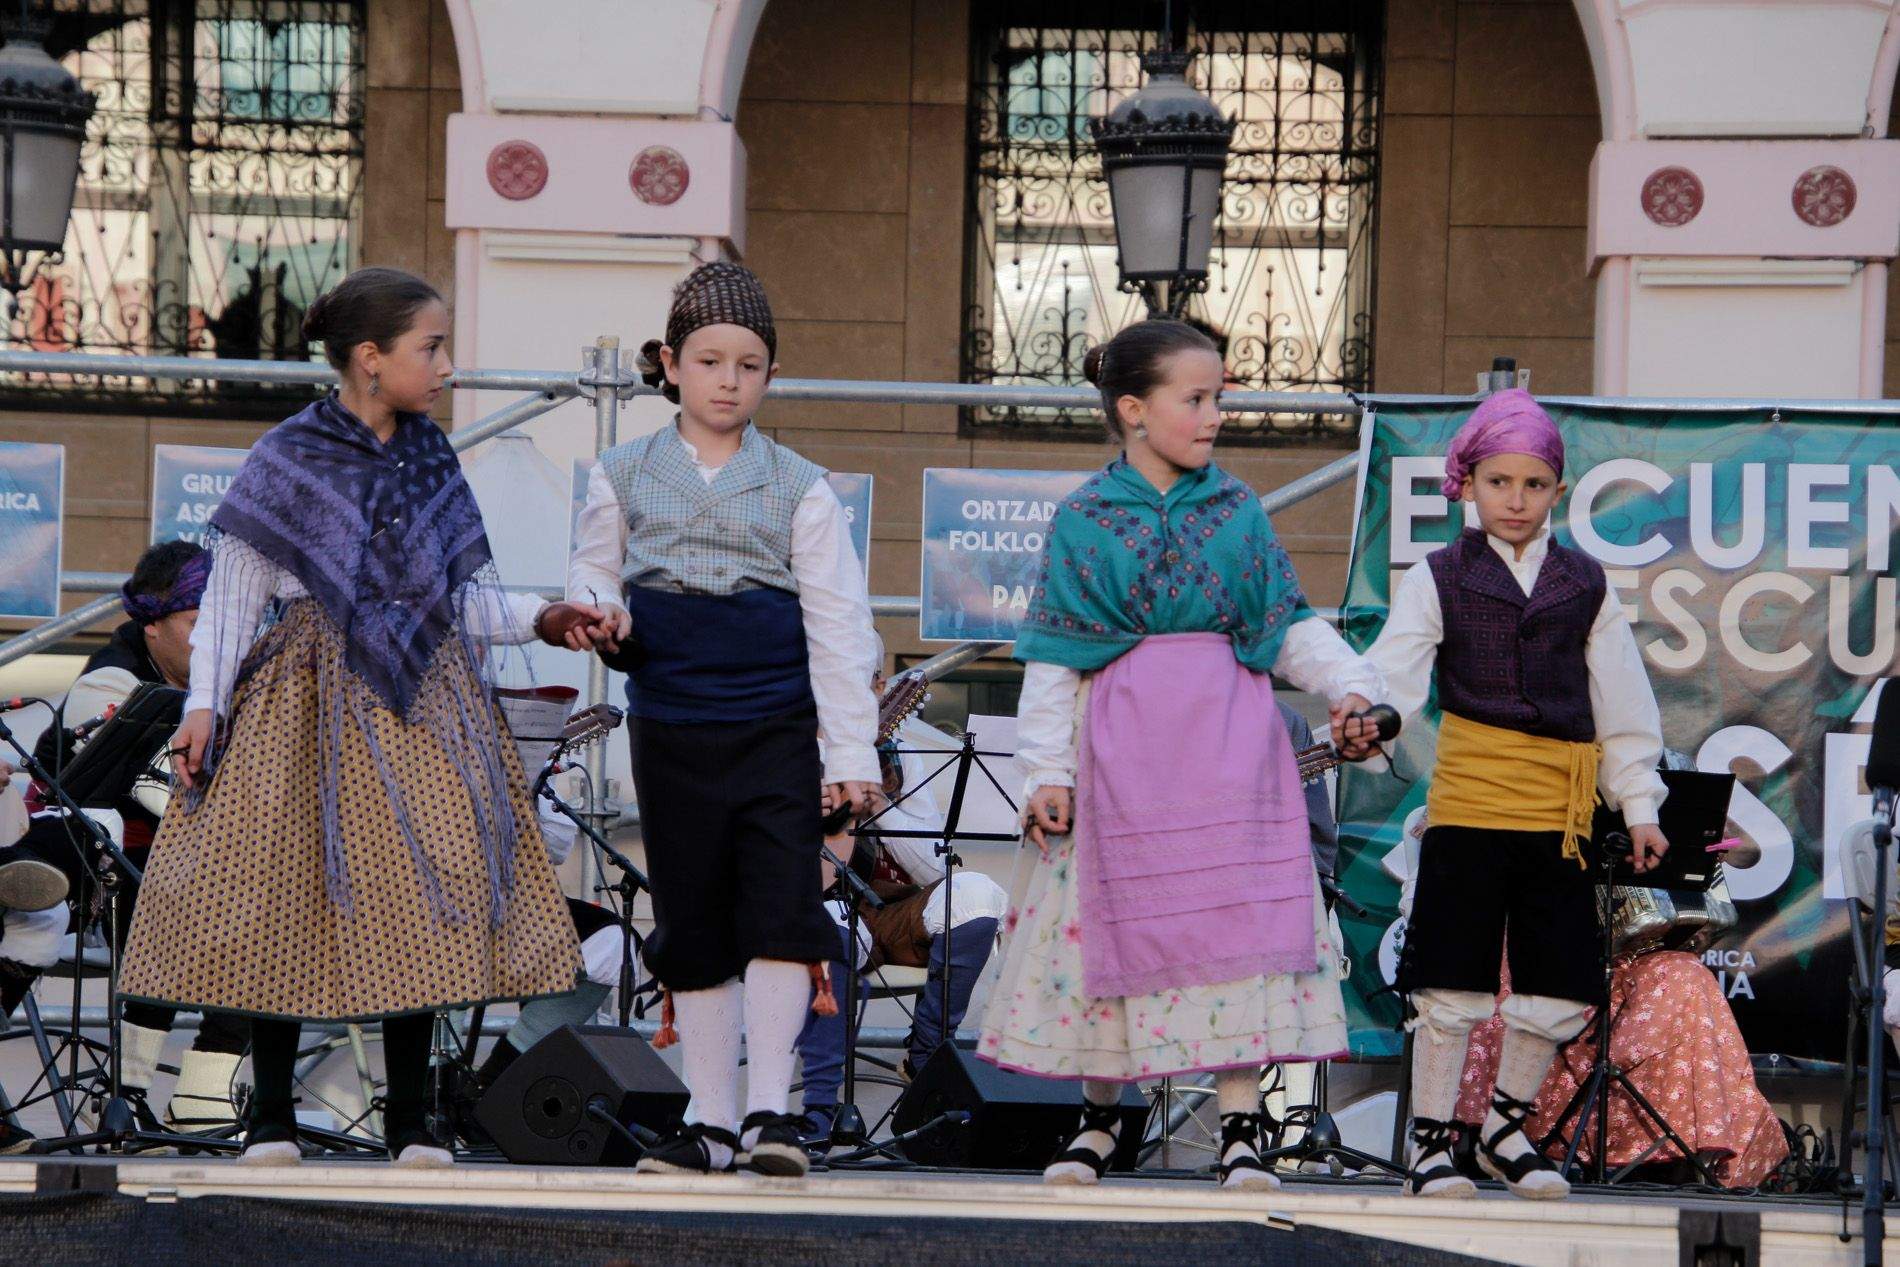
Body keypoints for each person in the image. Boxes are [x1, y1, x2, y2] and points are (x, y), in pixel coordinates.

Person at [118, 266, 602, 1167]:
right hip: (300, 698)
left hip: (421, 698)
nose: (448, 365)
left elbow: (452, 600)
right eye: (433, 347)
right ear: (371, 359)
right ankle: (268, 1118)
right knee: (280, 890)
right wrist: (205, 705)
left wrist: (542, 617)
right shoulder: (288, 457)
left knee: (420, 892)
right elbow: (236, 595)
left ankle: (410, 1120)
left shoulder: (429, 456)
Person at [976, 318, 1386, 1191]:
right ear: (1133, 409)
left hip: (1229, 752)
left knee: (1233, 935)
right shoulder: (1085, 520)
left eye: (1218, 398)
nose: (1213, 416)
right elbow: (1054, 654)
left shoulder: (1235, 511)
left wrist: (1350, 685)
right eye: (1194, 399)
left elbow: (1287, 625)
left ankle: (1241, 1127)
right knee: (1106, 933)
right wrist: (1044, 771)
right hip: (1121, 757)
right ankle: (1099, 1120)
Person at [567, 261, 881, 1178]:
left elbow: (838, 622)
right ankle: (707, 1119)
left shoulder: (802, 485)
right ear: (670, 364)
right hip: (670, 722)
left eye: (749, 364)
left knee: (782, 909)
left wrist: (848, 750)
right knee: (694, 911)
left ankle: (770, 1116)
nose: (728, 380)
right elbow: (592, 571)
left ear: (769, 376)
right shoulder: (620, 473)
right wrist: (603, 614)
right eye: (709, 360)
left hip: (777, 724)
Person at [1365, 388, 1670, 1201]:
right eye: (1500, 481)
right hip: (1470, 799)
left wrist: (1638, 805)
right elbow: (1395, 668)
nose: (1516, 499)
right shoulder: (1438, 575)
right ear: (1467, 482)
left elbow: (1623, 702)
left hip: (1561, 810)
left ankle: (1502, 1127)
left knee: (1563, 982)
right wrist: (1373, 719)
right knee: (1451, 981)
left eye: (1534, 485)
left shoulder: (1585, 582)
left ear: (1558, 493)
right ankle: (1432, 1144)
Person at [0, 542, 264, 1139]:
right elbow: (168, 797)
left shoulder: (234, 685)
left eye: (227, 626)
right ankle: (130, 1090)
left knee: (266, 896)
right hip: (97, 866)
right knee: (186, 893)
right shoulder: (110, 681)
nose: (217, 642)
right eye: (201, 625)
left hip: (190, 868)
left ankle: (202, 1091)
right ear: (151, 624)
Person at [796, 668, 1009, 1147]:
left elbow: (931, 869)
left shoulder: (899, 754)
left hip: (896, 911)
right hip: (820, 905)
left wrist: (875, 806)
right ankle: (819, 1112)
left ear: (880, 690)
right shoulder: (785, 744)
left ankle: (927, 1064)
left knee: (974, 894)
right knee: (834, 929)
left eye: (871, 680)